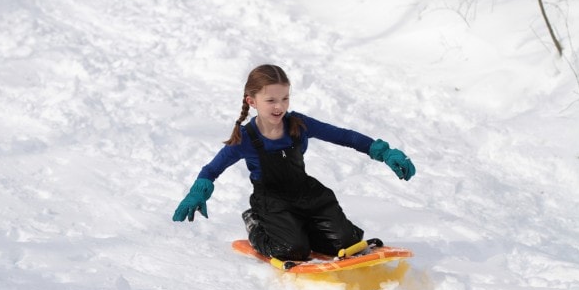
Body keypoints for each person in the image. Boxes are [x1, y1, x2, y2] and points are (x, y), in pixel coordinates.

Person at [173, 64, 415, 261]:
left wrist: (383, 152)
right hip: (272, 202)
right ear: (252, 101)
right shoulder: (245, 138)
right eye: (271, 100)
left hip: (307, 195)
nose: (280, 107)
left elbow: (344, 136)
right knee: (292, 250)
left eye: (285, 98)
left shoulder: (298, 124)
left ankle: (303, 229)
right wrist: (198, 192)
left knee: (346, 243)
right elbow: (211, 169)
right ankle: (256, 224)